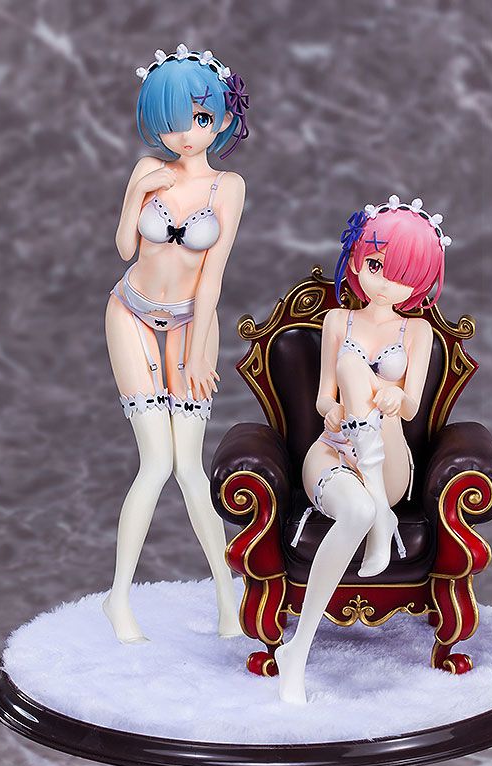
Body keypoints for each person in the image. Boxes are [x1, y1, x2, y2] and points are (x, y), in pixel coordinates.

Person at [275, 195, 450, 703]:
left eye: (401, 275)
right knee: (357, 510)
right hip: (332, 452)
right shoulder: (338, 322)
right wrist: (332, 409)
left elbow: (412, 406)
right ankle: (296, 653)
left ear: (418, 283)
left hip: (387, 457)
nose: (384, 282)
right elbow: (323, 398)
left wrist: (395, 396)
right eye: (376, 265)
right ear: (357, 260)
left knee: (360, 372)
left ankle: (381, 510)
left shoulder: (417, 331)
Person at [103, 45, 249, 643]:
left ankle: (227, 599)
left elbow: (211, 279)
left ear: (220, 117)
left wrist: (197, 352)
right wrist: (136, 192)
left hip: (193, 323)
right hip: (131, 313)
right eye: (169, 121)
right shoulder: (148, 169)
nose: (185, 133)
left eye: (199, 117)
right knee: (156, 462)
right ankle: (119, 597)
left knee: (190, 468)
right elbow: (124, 248)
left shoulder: (228, 187)